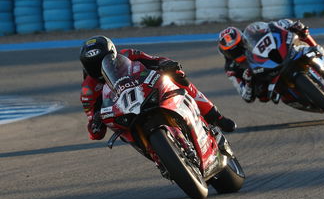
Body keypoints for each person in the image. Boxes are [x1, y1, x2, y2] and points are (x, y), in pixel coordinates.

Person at [80, 35, 236, 140]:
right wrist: (95, 123)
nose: (100, 68)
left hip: (146, 92)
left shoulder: (128, 54)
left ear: (113, 53)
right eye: (94, 66)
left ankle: (215, 116)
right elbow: (95, 132)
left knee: (177, 76)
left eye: (104, 61)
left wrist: (166, 64)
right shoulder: (88, 90)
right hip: (124, 115)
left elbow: (155, 60)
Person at [217, 19, 324, 103]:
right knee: (263, 96)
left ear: (242, 40)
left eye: (239, 46)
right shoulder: (231, 69)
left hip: (276, 57)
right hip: (263, 76)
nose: (238, 51)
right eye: (232, 51)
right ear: (225, 53)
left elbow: (273, 26)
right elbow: (245, 96)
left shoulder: (252, 34)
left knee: (302, 36)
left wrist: (291, 25)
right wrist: (249, 81)